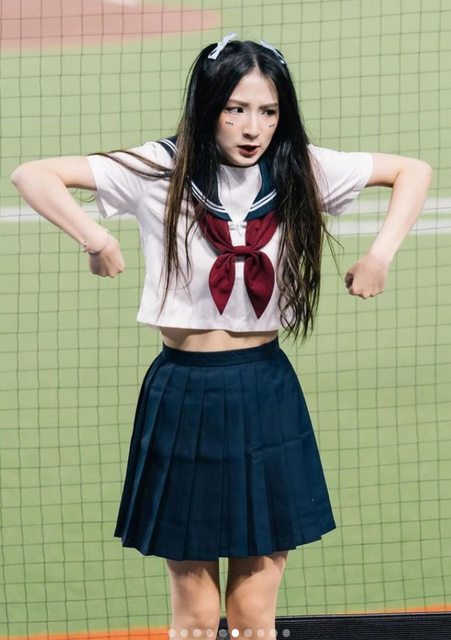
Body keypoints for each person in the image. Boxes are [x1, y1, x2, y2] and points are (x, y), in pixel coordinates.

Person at [11, 35, 431, 640]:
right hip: (184, 392)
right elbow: (33, 174)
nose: (253, 127)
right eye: (235, 109)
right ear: (208, 106)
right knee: (196, 612)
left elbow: (413, 171)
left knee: (254, 613)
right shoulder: (161, 166)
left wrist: (380, 256)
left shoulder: (298, 166)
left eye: (268, 111)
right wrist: (95, 238)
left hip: (264, 388)